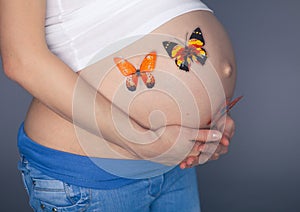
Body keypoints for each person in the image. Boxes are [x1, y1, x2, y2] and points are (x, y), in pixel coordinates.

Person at [0, 0, 237, 211]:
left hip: (172, 162)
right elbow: (23, 60)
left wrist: (205, 122)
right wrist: (143, 140)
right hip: (92, 176)